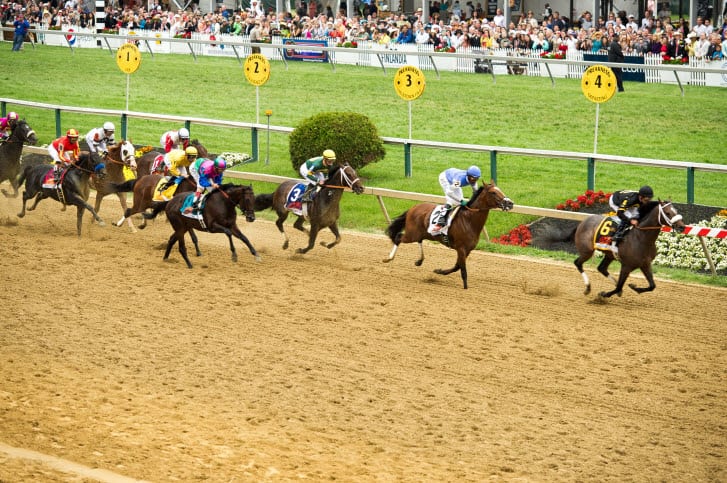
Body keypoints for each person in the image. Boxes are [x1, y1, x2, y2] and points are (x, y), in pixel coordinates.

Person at [432, 165, 481, 235]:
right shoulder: (459, 181)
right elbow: (449, 193)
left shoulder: (473, 181)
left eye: (477, 179)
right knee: (452, 200)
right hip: (445, 178)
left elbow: (476, 193)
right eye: (473, 179)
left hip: (453, 175)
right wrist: (461, 200)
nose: (475, 181)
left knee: (459, 201)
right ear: (469, 176)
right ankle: (439, 223)